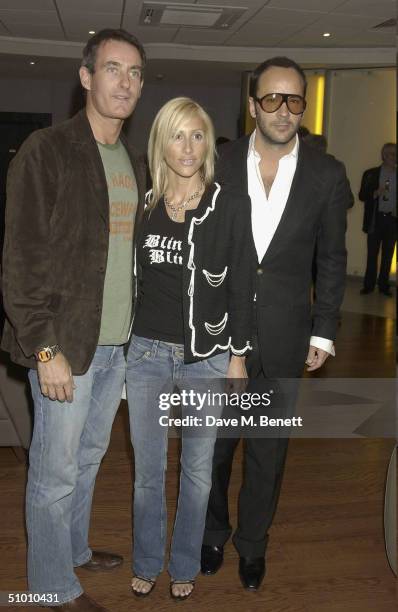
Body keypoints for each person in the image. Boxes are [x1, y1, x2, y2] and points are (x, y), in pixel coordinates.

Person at [1, 29, 146, 611]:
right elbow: (21, 260)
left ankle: (75, 550)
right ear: (86, 77)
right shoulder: (48, 148)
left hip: (117, 345)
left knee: (89, 458)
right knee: (54, 472)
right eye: (113, 69)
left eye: (135, 73)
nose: (125, 82)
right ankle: (50, 586)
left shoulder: (132, 161)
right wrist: (44, 348)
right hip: (66, 346)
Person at [201, 56, 350, 591]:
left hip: (287, 335)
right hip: (220, 334)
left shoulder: (326, 174)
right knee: (214, 444)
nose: (283, 110)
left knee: (268, 448)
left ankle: (253, 545)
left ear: (302, 106)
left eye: (293, 100)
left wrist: (324, 328)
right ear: (251, 106)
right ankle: (211, 532)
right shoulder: (218, 162)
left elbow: (332, 257)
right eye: (272, 99)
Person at [126, 97, 253, 601]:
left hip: (206, 357)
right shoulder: (145, 199)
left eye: (198, 135)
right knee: (147, 474)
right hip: (145, 353)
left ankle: (183, 563)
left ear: (208, 143)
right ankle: (145, 561)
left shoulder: (228, 205)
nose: (188, 147)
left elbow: (243, 284)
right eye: (178, 135)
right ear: (162, 140)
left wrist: (238, 357)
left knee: (198, 472)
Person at [359, 142, 397, 296]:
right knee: (372, 254)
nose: (393, 157)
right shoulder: (371, 173)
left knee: (388, 255)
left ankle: (383, 286)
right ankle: (368, 285)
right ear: (383, 155)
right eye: (390, 154)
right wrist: (374, 193)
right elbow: (361, 196)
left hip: (393, 220)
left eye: (395, 154)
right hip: (376, 219)